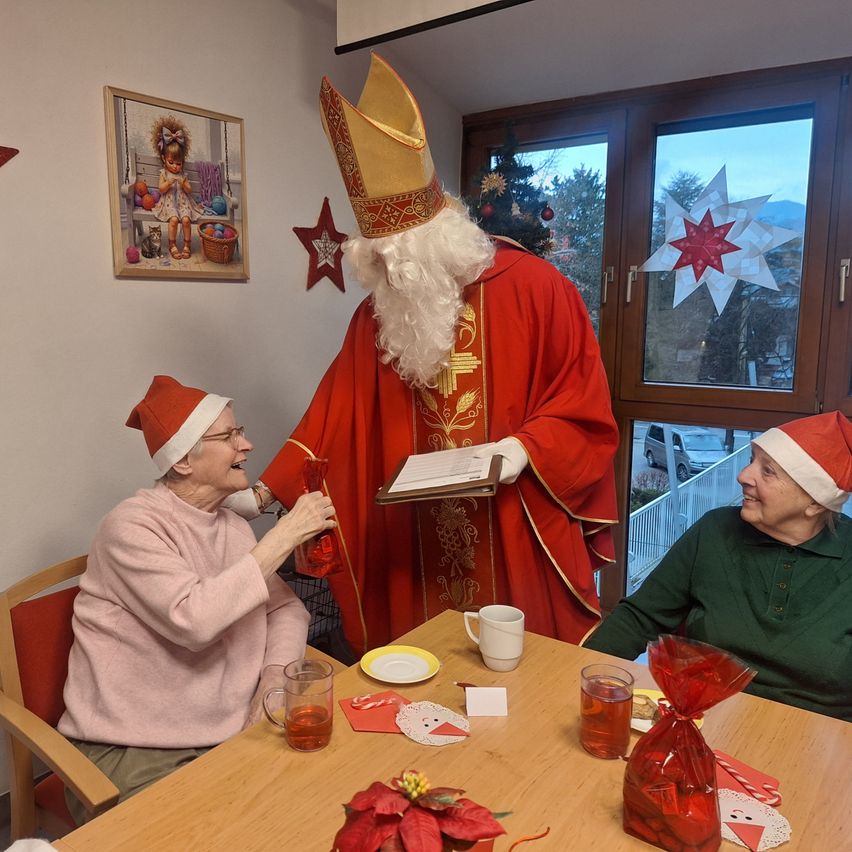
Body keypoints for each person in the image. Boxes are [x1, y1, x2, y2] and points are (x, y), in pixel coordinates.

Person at [232, 53, 619, 655]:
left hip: (513, 524)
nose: (386, 274)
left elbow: (583, 406)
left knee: (523, 676)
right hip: (410, 542)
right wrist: (262, 494)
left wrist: (522, 449)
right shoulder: (378, 314)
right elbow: (333, 416)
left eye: (396, 260)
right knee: (417, 673)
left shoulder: (541, 291)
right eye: (377, 261)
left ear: (434, 242)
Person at [58, 376, 337, 824]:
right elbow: (195, 620)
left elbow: (285, 608)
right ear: (185, 460)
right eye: (229, 436)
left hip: (230, 728)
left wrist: (273, 679)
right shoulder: (130, 528)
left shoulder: (228, 524)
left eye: (238, 430)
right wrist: (284, 535)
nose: (246, 445)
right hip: (135, 746)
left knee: (321, 805)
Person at [584, 411, 852, 721]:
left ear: (815, 503)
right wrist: (580, 676)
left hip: (818, 737)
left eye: (767, 471)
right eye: (752, 459)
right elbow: (639, 618)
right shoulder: (715, 531)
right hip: (705, 717)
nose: (743, 475)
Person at [149, 116, 205, 260]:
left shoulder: (183, 174)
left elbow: (189, 190)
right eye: (171, 162)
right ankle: (172, 244)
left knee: (186, 220)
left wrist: (183, 184)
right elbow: (161, 189)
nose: (175, 166)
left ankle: (187, 244)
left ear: (183, 162)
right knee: (173, 220)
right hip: (168, 204)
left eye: (178, 163)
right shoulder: (163, 173)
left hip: (184, 203)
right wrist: (168, 183)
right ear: (163, 159)